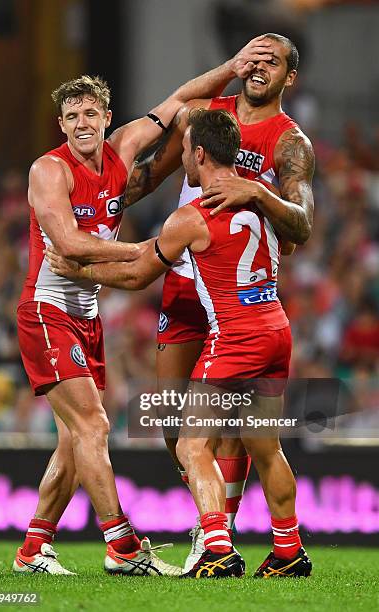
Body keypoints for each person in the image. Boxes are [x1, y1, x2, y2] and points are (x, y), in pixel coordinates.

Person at [46, 107, 313, 578]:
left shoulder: (191, 216)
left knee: (192, 445)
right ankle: (289, 549)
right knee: (265, 445)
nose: (182, 158)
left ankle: (216, 546)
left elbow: (136, 273)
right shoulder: (264, 200)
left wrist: (78, 269)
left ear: (201, 153)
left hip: (235, 335)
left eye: (186, 149)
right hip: (276, 329)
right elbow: (291, 241)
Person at [14, 54, 250, 576]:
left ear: (106, 117)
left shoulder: (122, 148)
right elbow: (68, 243)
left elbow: (182, 100)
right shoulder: (48, 170)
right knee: (93, 427)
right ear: (62, 125)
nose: (82, 124)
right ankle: (122, 547)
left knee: (75, 441)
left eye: (90, 114)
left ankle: (33, 549)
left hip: (88, 312)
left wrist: (233, 66)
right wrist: (147, 249)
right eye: (72, 116)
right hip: (47, 310)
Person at [121, 32, 313, 570]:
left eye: (272, 62)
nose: (259, 67)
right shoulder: (205, 115)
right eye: (253, 56)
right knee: (168, 418)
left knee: (226, 428)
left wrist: (257, 192)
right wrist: (101, 204)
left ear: (288, 79)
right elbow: (150, 168)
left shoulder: (290, 142)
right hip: (186, 279)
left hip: (235, 293)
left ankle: (217, 536)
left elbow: (303, 224)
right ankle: (248, 535)